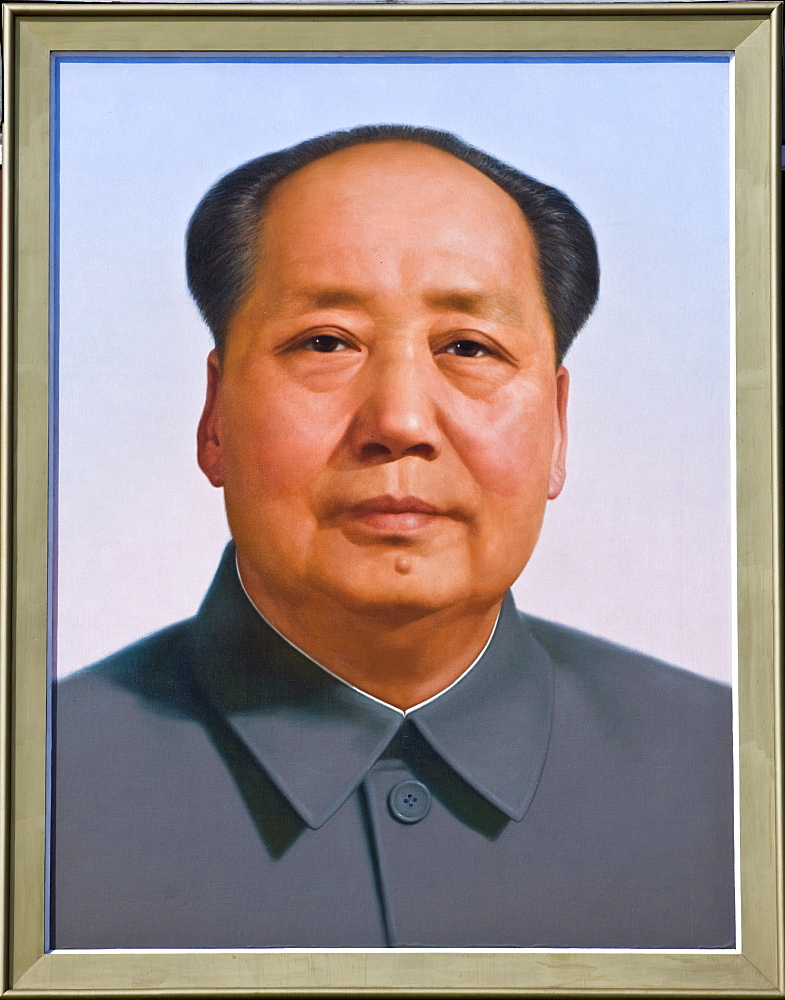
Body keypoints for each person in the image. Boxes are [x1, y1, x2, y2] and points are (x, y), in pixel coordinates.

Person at [52, 124, 734, 949]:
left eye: (468, 347)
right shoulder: (37, 790)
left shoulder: (734, 779)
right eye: (326, 342)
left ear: (556, 428)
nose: (400, 422)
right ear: (214, 418)